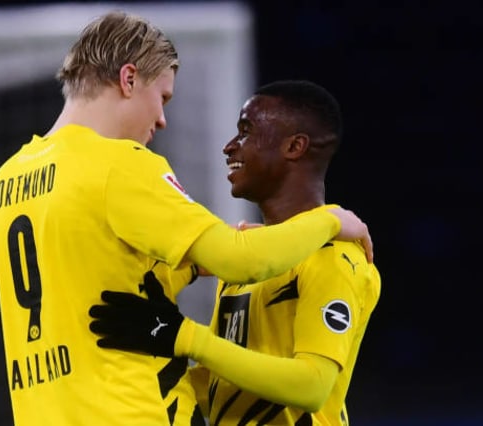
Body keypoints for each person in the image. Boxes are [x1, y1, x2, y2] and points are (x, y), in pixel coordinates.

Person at [0, 10, 372, 425]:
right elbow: (241, 259)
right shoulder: (121, 165)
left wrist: (195, 267)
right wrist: (330, 221)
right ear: (129, 79)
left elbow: (106, 275)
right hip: (132, 410)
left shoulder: (3, 185)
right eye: (162, 97)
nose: (162, 120)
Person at [89, 80, 381, 425]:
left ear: (295, 147)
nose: (229, 147)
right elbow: (223, 389)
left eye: (246, 131)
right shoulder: (244, 265)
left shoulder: (333, 255)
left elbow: (312, 386)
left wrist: (187, 338)